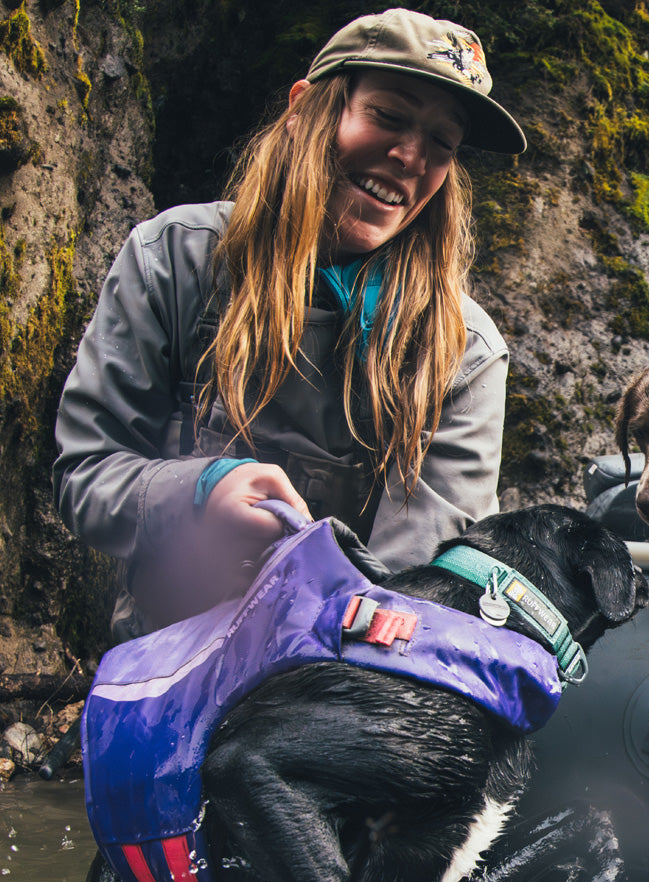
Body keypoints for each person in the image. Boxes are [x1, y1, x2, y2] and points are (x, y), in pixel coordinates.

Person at [52, 8, 526, 639]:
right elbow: (86, 474)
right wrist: (200, 492)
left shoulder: (463, 352)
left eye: (442, 142)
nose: (410, 156)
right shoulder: (174, 257)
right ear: (305, 107)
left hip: (341, 684)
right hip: (162, 666)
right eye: (387, 115)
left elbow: (421, 585)